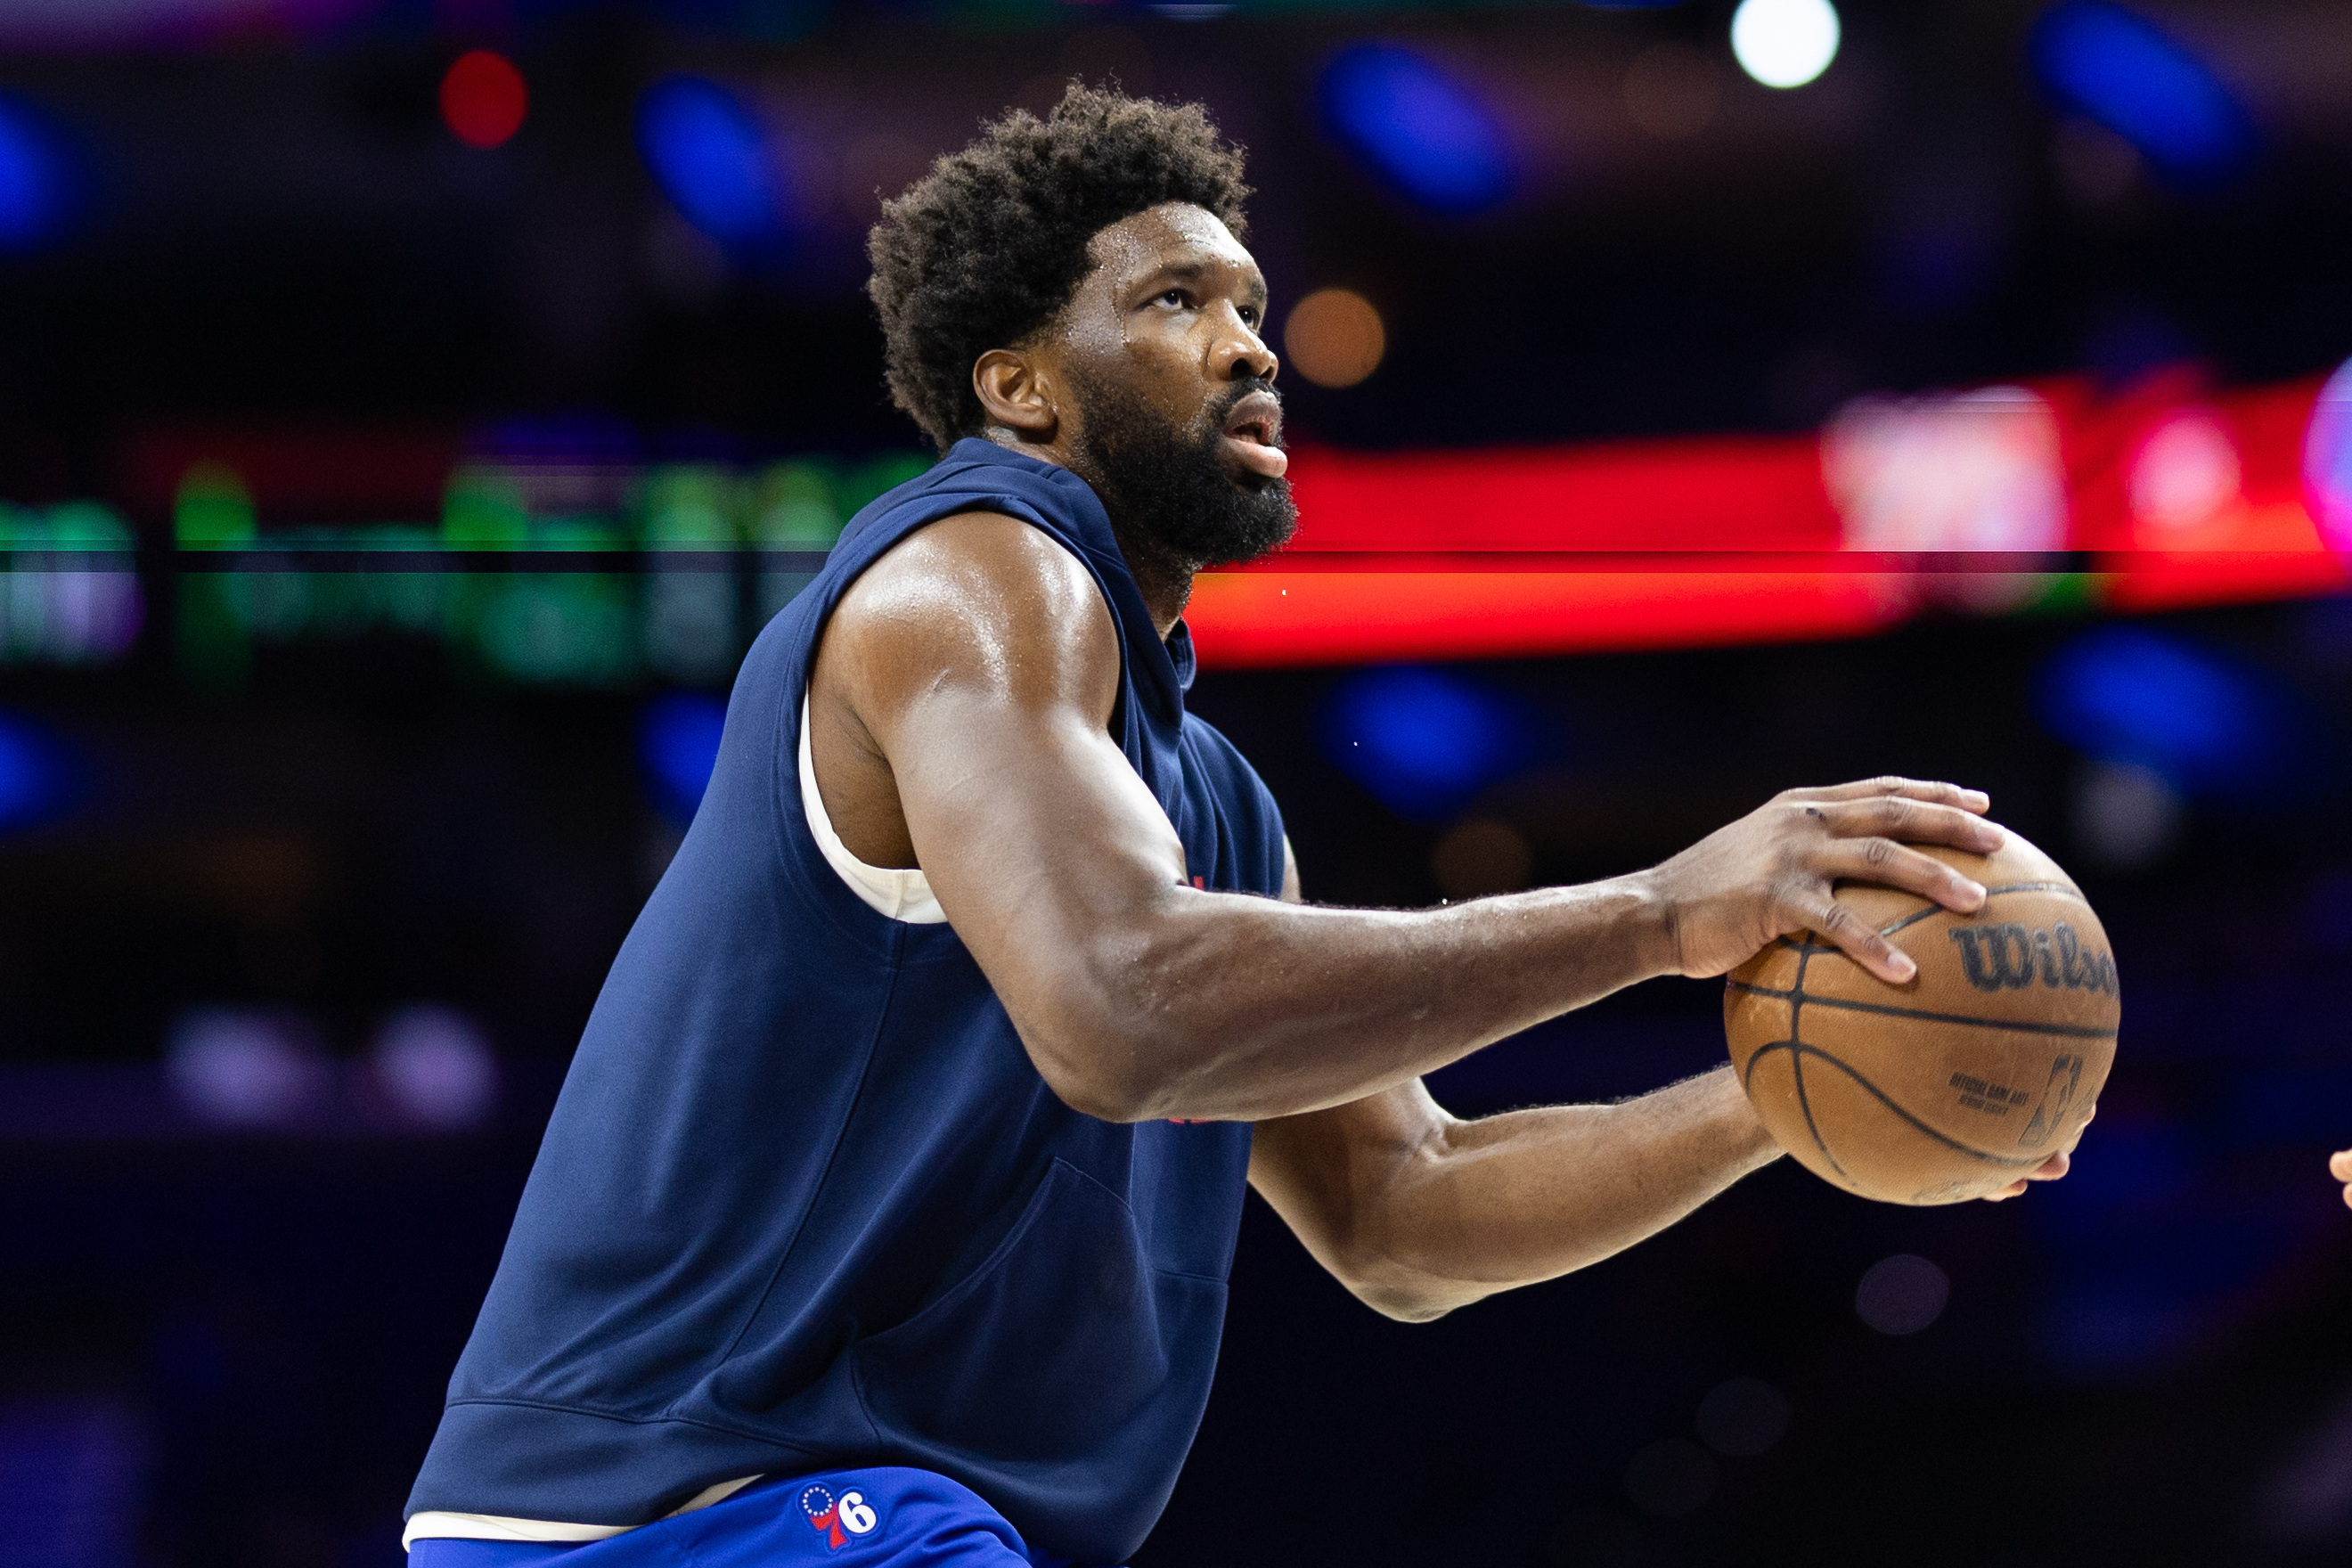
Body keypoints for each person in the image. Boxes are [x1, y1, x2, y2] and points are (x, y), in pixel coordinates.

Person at [402, 86, 2076, 1567]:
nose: (1254, 342)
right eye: (1176, 299)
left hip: (846, 1516)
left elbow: (1409, 1214)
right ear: (1021, 386)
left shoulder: (1211, 802)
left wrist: (1807, 1084)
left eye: (1253, 302)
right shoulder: (971, 578)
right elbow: (1121, 1013)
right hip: (689, 1507)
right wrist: (1658, 914)